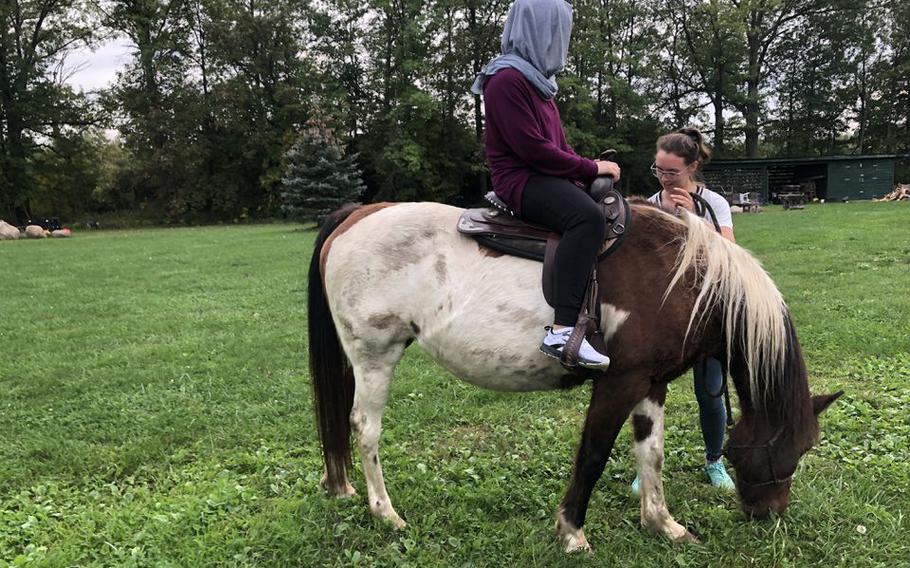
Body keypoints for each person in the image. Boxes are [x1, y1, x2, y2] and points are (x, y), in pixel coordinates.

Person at [471, 0, 619, 368]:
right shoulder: (506, 80)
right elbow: (533, 150)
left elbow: (558, 146)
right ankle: (562, 331)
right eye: (558, 33)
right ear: (539, 31)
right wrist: (590, 166)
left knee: (599, 201)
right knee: (586, 218)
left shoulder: (539, 84)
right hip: (521, 179)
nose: (561, 43)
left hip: (543, 173)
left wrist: (585, 171)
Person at [631, 127, 735, 493]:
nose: (663, 177)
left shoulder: (714, 203)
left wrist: (695, 219)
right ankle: (644, 462)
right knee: (647, 388)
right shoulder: (650, 203)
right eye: (658, 169)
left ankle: (714, 461)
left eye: (671, 172)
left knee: (709, 391)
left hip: (704, 311)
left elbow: (730, 254)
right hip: (659, 311)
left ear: (692, 167)